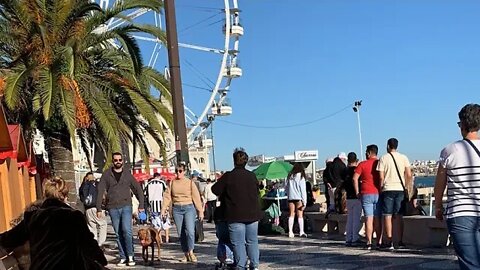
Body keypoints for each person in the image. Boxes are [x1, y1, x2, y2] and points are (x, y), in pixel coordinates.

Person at [0, 177, 107, 270]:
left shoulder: (33, 216)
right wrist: (101, 260)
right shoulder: (74, 217)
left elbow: (11, 238)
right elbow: (88, 244)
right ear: (65, 196)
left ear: (45, 195)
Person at [434, 103, 480, 270]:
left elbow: (439, 185)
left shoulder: (450, 150)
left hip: (460, 214)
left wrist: (438, 206)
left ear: (463, 124)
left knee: (471, 265)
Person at [212, 147, 262, 270]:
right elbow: (257, 192)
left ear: (234, 161)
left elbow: (215, 190)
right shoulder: (252, 176)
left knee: (238, 243)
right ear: (246, 161)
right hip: (253, 214)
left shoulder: (228, 176)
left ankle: (241, 266)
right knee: (252, 241)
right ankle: (254, 265)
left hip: (235, 215)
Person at [96, 152, 145, 267]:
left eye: (119, 160)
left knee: (127, 231)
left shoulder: (127, 174)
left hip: (126, 205)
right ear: (112, 161)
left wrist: (141, 206)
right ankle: (123, 257)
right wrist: (99, 208)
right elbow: (100, 190)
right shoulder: (107, 174)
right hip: (113, 207)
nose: (118, 162)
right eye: (115, 160)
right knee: (118, 233)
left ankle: (130, 256)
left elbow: (138, 189)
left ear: (122, 161)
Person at [161, 163, 204, 263]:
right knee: (181, 233)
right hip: (177, 209)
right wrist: (163, 209)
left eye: (180, 171)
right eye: (176, 171)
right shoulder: (172, 182)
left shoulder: (189, 183)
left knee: (189, 231)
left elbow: (196, 197)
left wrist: (200, 211)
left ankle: (191, 251)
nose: (178, 173)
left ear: (184, 172)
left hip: (189, 207)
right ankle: (185, 253)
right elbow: (167, 196)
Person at [377, 138, 412, 250]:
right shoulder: (403, 157)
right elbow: (409, 174)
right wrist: (406, 185)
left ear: (388, 146)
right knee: (399, 215)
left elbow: (381, 177)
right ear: (397, 146)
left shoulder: (383, 158)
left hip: (387, 189)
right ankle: (400, 241)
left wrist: (381, 187)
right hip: (400, 189)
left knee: (387, 215)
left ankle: (389, 241)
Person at [353, 144, 383, 250]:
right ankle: (379, 241)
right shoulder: (380, 163)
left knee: (368, 219)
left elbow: (354, 178)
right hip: (378, 193)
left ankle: (369, 242)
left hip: (366, 194)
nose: (365, 154)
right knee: (378, 219)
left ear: (369, 153)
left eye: (366, 152)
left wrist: (357, 192)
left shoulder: (362, 164)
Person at [79, 172, 107, 248]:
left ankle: (93, 243)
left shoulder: (83, 186)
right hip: (98, 207)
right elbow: (103, 195)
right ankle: (100, 243)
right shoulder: (97, 184)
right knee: (102, 225)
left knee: (91, 226)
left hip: (88, 209)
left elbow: (81, 198)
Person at [344, 152, 362, 246]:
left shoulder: (345, 171)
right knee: (356, 219)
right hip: (356, 196)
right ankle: (355, 237)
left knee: (350, 218)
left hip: (348, 197)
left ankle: (348, 237)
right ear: (356, 160)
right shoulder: (357, 170)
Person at [285, 163, 307, 238]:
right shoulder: (301, 176)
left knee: (291, 214)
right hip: (298, 198)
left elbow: (286, 188)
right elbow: (303, 190)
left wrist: (288, 196)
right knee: (300, 215)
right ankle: (301, 231)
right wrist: (304, 202)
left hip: (291, 197)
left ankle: (290, 232)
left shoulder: (289, 176)